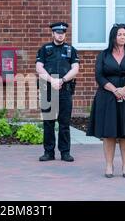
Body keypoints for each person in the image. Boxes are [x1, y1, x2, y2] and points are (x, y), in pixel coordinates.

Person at [87, 23, 125, 178]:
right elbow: (99, 76)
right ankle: (109, 165)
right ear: (113, 36)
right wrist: (115, 90)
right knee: (109, 133)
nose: (122, 37)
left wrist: (123, 90)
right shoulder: (103, 56)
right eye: (120, 34)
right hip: (107, 97)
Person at [36, 22, 79, 162]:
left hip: (65, 90)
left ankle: (65, 152)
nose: (60, 35)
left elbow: (75, 68)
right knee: (48, 122)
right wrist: (51, 80)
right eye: (58, 33)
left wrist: (63, 80)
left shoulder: (70, 50)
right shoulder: (44, 49)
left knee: (64, 123)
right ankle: (48, 152)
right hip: (48, 89)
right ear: (53, 34)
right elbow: (39, 68)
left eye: (63, 33)